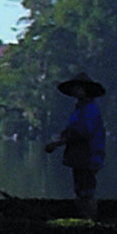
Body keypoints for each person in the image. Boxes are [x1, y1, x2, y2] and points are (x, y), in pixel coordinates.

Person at [48, 72, 108, 217]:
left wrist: (58, 143)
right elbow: (72, 129)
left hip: (88, 154)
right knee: (80, 188)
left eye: (77, 88)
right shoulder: (80, 108)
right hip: (79, 155)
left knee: (86, 190)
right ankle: (84, 217)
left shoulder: (90, 110)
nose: (75, 91)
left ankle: (90, 218)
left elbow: (81, 132)